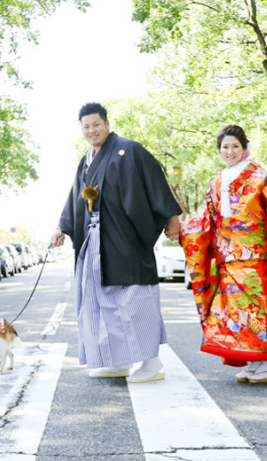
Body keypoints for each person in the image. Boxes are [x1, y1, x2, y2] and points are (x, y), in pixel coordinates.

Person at [51, 103, 182, 383]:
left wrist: (172, 217)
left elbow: (154, 183)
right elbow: (74, 198)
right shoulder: (86, 160)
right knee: (100, 300)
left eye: (96, 125)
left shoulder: (128, 150)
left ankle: (152, 362)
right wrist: (62, 227)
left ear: (107, 123)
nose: (91, 131)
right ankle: (117, 359)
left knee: (134, 298)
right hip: (95, 240)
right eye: (86, 127)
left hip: (125, 237)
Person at [171, 124, 267, 383]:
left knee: (258, 309)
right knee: (237, 312)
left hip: (254, 256)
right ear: (219, 150)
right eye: (225, 147)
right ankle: (252, 361)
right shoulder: (217, 181)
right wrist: (184, 230)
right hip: (228, 257)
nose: (230, 151)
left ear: (244, 149)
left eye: (235, 146)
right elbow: (208, 220)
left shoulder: (259, 176)